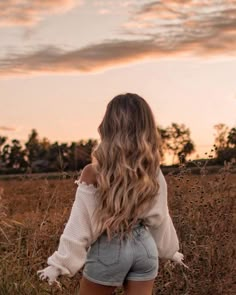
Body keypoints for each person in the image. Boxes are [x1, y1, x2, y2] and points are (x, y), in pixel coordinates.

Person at [37, 93, 188, 295]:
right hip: (145, 249)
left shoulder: (94, 172)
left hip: (109, 248)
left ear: (108, 126)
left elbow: (81, 224)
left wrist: (58, 265)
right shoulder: (152, 170)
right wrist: (170, 251)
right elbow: (160, 216)